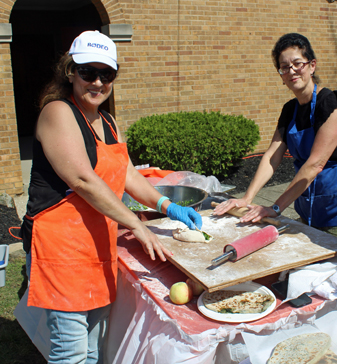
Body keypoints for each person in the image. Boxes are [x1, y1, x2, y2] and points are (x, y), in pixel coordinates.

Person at [19, 30, 202, 363]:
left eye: (107, 74)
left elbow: (128, 174)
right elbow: (82, 179)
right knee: (70, 352)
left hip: (97, 246)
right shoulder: (58, 113)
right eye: (88, 72)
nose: (97, 82)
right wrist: (137, 223)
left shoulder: (108, 121)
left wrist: (167, 205)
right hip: (60, 252)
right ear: (71, 72)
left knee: (92, 348)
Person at [214, 33, 337, 241]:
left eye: (297, 63)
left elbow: (315, 164)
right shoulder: (290, 110)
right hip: (307, 207)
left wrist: (275, 207)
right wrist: (247, 198)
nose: (291, 70)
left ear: (312, 66)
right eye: (284, 67)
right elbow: (272, 156)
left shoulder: (331, 103)